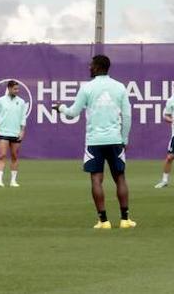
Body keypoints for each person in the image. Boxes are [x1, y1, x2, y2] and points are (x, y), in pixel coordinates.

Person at [53, 54, 134, 230]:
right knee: (120, 177)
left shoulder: (87, 88)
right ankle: (125, 219)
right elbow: (127, 116)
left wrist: (60, 108)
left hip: (94, 141)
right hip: (115, 140)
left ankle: (103, 221)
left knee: (96, 179)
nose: (89, 67)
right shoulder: (120, 87)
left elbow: (73, 113)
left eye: (91, 65)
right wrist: (125, 138)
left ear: (97, 67)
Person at [0, 80, 29, 188]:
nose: (17, 91)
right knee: (2, 155)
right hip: (3, 131)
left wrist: (22, 131)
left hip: (16, 132)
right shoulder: (0, 101)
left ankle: (13, 181)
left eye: (18, 89)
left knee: (14, 156)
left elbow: (23, 117)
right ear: (9, 88)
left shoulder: (21, 102)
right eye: (15, 89)